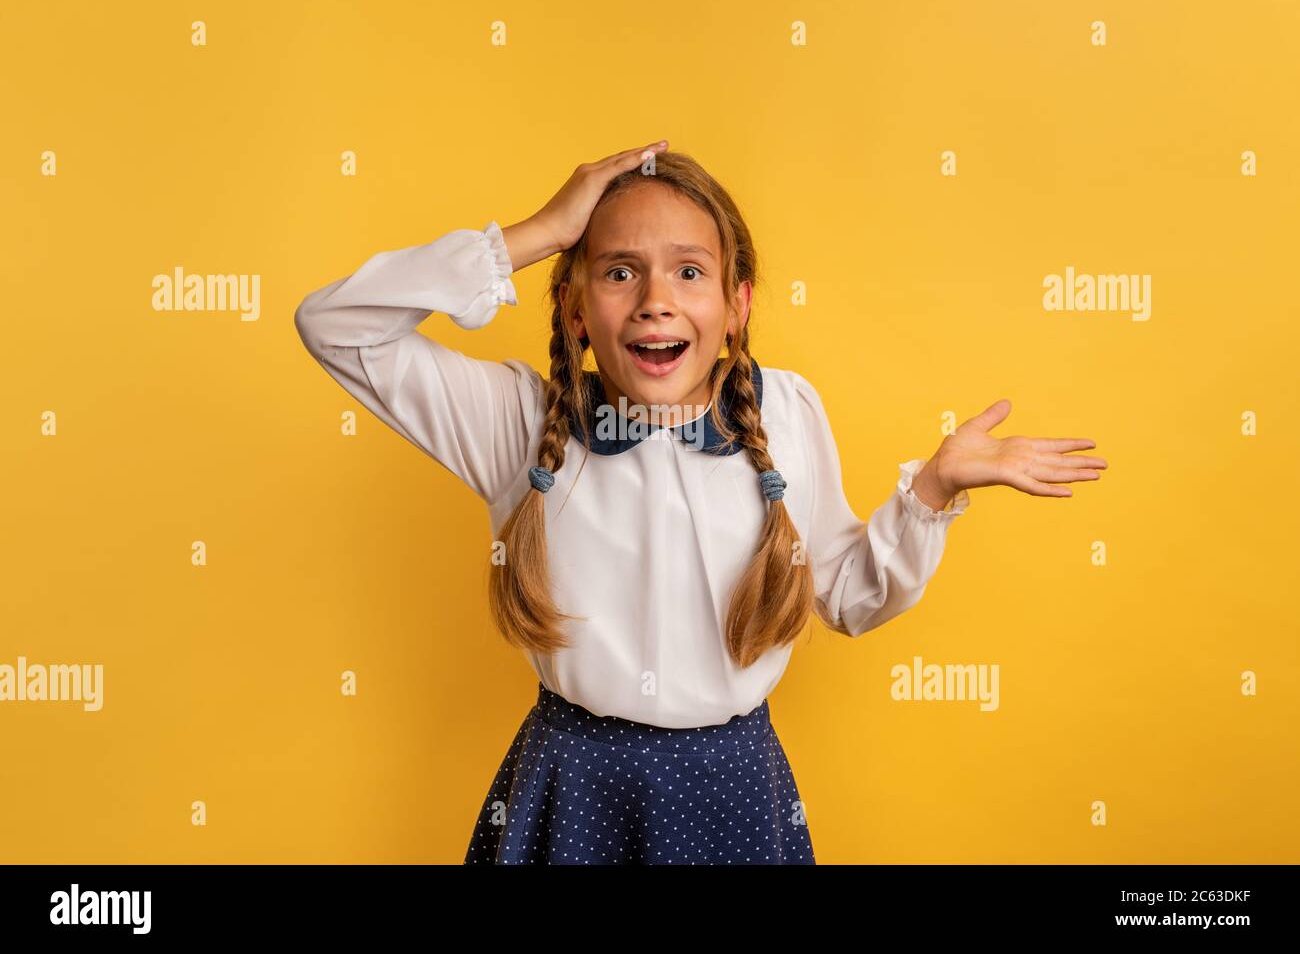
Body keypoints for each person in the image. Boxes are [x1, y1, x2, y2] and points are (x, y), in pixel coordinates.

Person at [293, 141, 1107, 864]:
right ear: (576, 310)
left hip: (736, 794)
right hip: (571, 791)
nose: (655, 298)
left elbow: (849, 597)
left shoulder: (784, 413)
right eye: (619, 271)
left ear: (736, 306)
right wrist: (538, 232)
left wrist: (933, 490)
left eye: (690, 271)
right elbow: (334, 324)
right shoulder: (515, 422)